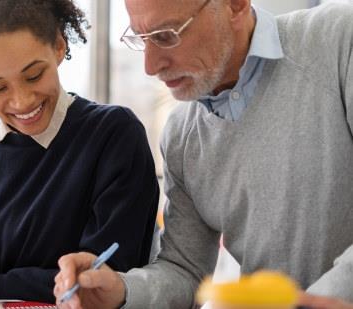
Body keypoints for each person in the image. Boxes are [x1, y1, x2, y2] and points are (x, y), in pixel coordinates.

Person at [54, 0, 353, 308]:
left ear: (235, 5)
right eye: (142, 39)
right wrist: (121, 290)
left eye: (166, 35)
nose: (150, 66)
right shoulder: (182, 137)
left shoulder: (339, 39)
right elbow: (185, 270)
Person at [0, 0, 160, 303]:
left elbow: (102, 278)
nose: (21, 101)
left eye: (34, 76)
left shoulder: (113, 135)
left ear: (59, 47)